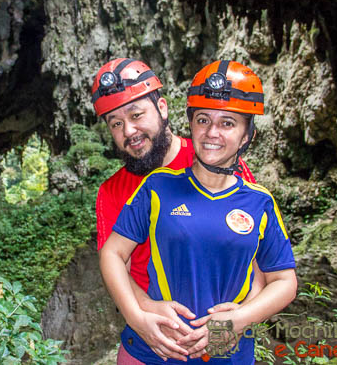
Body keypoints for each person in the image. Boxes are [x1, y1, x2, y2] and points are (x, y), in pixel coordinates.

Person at [99, 60, 297, 364]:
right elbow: (113, 257)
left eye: (136, 114)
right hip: (153, 342)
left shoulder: (247, 188)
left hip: (223, 347)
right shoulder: (147, 188)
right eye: (115, 123)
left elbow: (269, 269)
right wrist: (142, 315)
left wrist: (242, 315)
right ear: (192, 122)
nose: (129, 130)